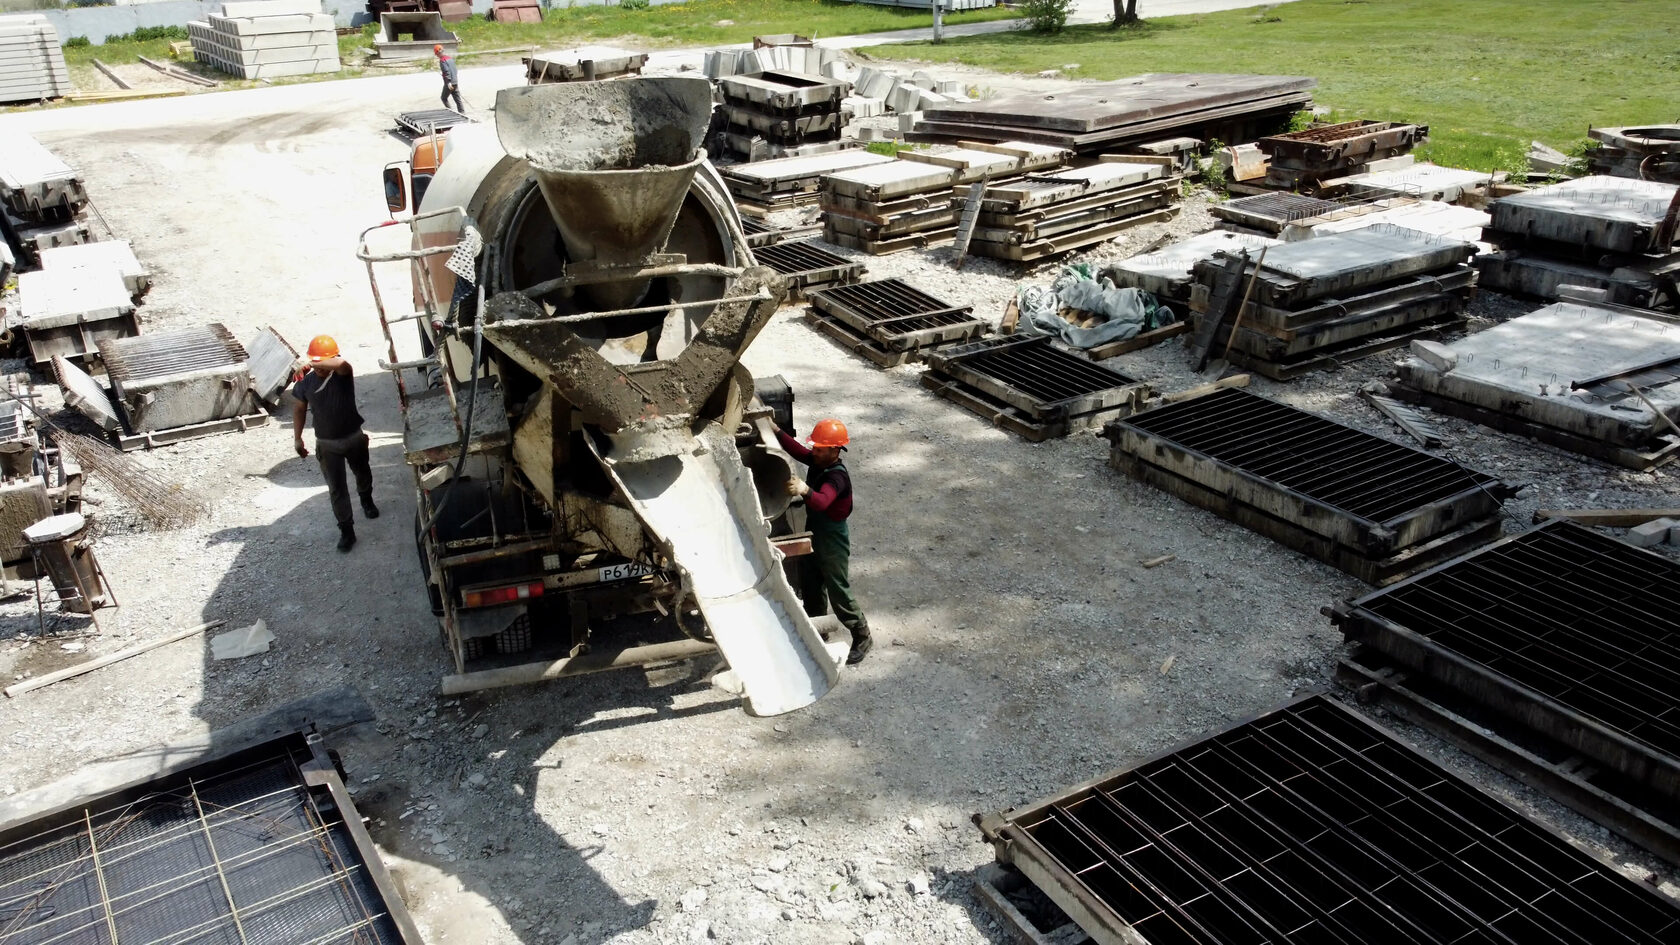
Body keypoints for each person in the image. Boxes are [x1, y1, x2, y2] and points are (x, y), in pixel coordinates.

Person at [776, 418, 872, 665]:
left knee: (837, 587)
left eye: (820, 448)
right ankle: (819, 628)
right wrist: (774, 429)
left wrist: (804, 489)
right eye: (815, 447)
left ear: (835, 450)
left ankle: (861, 634)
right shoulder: (819, 460)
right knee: (811, 581)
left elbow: (822, 501)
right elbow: (798, 450)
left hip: (832, 536)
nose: (814, 451)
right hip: (814, 531)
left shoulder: (837, 477)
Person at [291, 335, 378, 552]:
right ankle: (346, 530)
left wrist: (312, 362)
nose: (319, 369)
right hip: (327, 444)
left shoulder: (342, 374)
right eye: (315, 363)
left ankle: (366, 500)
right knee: (336, 489)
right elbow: (299, 409)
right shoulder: (305, 383)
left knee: (362, 472)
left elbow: (342, 364)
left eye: (322, 363)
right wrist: (297, 438)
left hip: (353, 437)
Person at [434, 44, 463, 113]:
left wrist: (448, 82)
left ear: (438, 52)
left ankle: (451, 112)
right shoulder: (450, 58)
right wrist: (454, 80)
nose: (437, 56)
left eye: (436, 54)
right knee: (457, 99)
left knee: (443, 98)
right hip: (455, 81)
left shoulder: (442, 60)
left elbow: (446, 71)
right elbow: (455, 70)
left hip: (449, 83)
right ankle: (462, 112)